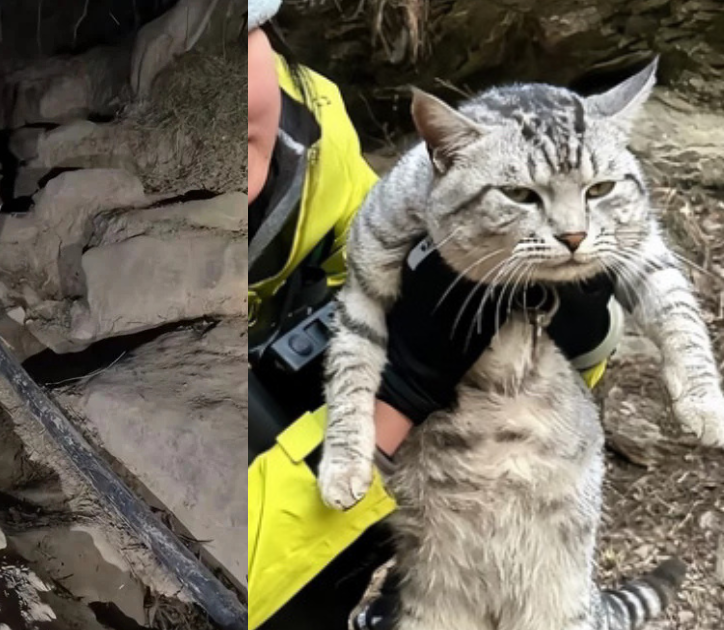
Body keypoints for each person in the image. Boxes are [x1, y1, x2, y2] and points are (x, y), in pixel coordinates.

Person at [245, 3, 624, 629]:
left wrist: (577, 339)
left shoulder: (310, 134)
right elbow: (161, 580)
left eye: (231, 44)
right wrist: (394, 402)